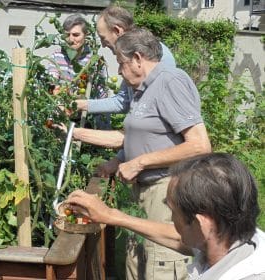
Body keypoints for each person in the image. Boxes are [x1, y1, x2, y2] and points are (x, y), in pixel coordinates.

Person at [59, 28, 212, 280]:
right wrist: (118, 160)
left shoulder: (170, 81)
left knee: (159, 265)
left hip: (167, 194)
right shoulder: (143, 89)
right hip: (143, 193)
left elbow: (199, 145)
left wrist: (139, 162)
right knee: (138, 264)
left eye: (121, 63)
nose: (119, 71)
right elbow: (147, 135)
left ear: (138, 58)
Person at [67, 153, 265, 279]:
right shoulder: (236, 238)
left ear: (199, 223)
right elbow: (179, 237)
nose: (171, 220)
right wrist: (111, 215)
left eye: (173, 212)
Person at [73, 5, 176, 115]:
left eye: (103, 38)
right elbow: (122, 101)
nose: (103, 45)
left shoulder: (155, 55)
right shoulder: (129, 56)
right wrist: (80, 105)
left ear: (117, 30)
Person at [47, 14, 110, 129]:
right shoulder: (57, 56)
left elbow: (102, 93)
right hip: (61, 113)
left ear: (86, 35)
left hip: (87, 116)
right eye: (67, 35)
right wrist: (61, 104)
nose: (71, 39)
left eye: (76, 35)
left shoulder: (95, 60)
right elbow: (52, 84)